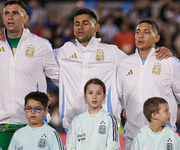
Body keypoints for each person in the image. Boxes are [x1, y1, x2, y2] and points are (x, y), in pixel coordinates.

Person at [54, 8, 171, 132]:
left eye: (85, 23)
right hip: (73, 125)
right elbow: (39, 59)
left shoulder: (111, 53)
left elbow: (139, 65)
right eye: (77, 24)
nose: (80, 27)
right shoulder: (64, 52)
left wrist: (157, 51)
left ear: (96, 27)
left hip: (105, 126)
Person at [0, 0, 59, 149]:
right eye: (6, 13)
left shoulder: (40, 45)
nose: (10, 16)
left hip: (32, 121)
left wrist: (53, 98)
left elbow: (59, 77)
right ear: (3, 18)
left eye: (15, 13)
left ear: (25, 18)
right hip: (2, 124)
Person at [116, 19, 180, 150]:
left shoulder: (169, 62)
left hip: (162, 138)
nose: (140, 35)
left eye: (146, 32)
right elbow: (120, 98)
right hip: (132, 138)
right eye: (137, 32)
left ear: (156, 37)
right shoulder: (124, 64)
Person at [66, 78, 120, 150]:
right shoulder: (77, 121)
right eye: (90, 93)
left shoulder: (109, 118)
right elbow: (70, 147)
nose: (94, 97)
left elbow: (113, 147)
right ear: (85, 96)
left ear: (104, 96)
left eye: (98, 93)